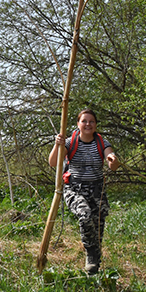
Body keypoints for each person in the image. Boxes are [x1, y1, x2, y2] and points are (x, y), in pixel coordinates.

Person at [48, 109, 120, 275]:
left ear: (95, 125)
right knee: (85, 215)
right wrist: (57, 145)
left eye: (91, 121)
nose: (88, 124)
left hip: (97, 190)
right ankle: (91, 255)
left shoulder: (102, 142)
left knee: (97, 227)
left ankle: (94, 264)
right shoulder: (70, 142)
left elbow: (113, 164)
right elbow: (53, 162)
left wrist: (113, 160)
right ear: (78, 124)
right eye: (84, 121)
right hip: (75, 189)